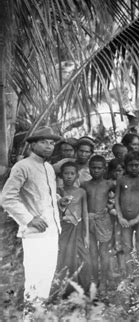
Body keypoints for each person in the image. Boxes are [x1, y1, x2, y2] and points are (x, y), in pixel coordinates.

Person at [0, 126, 62, 307]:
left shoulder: (49, 168)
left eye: (51, 143)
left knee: (47, 280)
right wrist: (28, 219)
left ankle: (39, 317)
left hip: (52, 231)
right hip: (35, 233)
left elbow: (41, 195)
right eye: (43, 142)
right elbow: (7, 198)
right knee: (34, 281)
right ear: (32, 145)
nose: (49, 146)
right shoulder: (23, 166)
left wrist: (59, 201)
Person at [56, 161, 91, 296]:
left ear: (77, 175)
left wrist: (87, 235)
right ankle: (66, 290)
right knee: (65, 257)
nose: (69, 176)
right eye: (66, 173)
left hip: (79, 227)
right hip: (64, 229)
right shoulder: (58, 191)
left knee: (84, 258)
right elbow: (56, 212)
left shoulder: (81, 192)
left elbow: (85, 214)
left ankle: (84, 290)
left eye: (72, 174)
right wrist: (64, 218)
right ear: (61, 175)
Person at [81, 155, 115, 291]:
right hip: (89, 221)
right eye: (93, 168)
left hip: (104, 220)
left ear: (104, 169)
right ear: (89, 168)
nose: (96, 171)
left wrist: (109, 207)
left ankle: (104, 280)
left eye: (99, 168)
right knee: (92, 253)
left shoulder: (109, 184)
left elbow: (117, 198)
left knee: (104, 252)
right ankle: (94, 280)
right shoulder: (85, 185)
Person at [115, 151, 139, 274]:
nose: (134, 168)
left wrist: (138, 218)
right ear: (126, 166)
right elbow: (117, 200)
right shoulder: (121, 180)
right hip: (125, 219)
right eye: (131, 165)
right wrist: (120, 217)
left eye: (137, 165)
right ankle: (129, 274)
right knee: (127, 247)